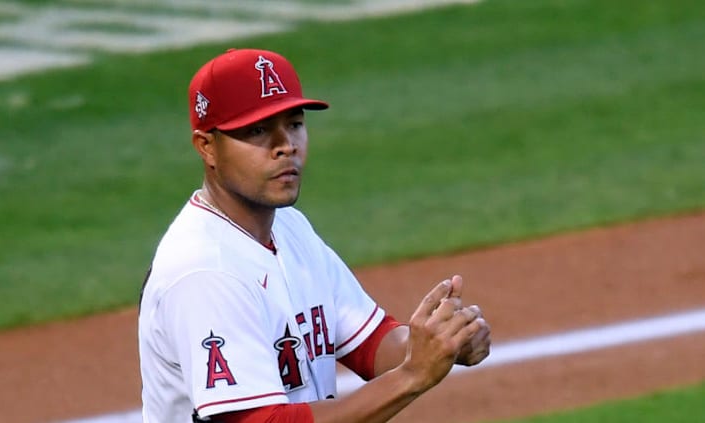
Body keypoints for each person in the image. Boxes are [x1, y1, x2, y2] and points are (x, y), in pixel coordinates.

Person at [138, 48, 491, 423]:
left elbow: (369, 344)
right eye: (257, 130)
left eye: (294, 124)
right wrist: (411, 376)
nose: (285, 145)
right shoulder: (204, 269)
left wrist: (441, 343)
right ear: (207, 146)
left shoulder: (289, 227)